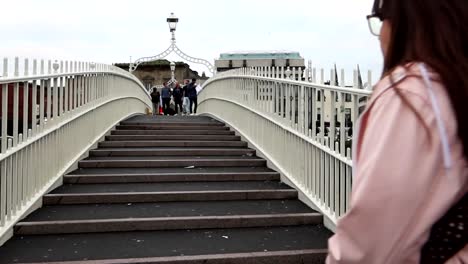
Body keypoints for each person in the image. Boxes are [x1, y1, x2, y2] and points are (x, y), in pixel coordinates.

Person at [327, 0, 467, 263]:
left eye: (380, 19)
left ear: (405, 20)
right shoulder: (456, 85)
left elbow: (370, 244)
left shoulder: (413, 96)